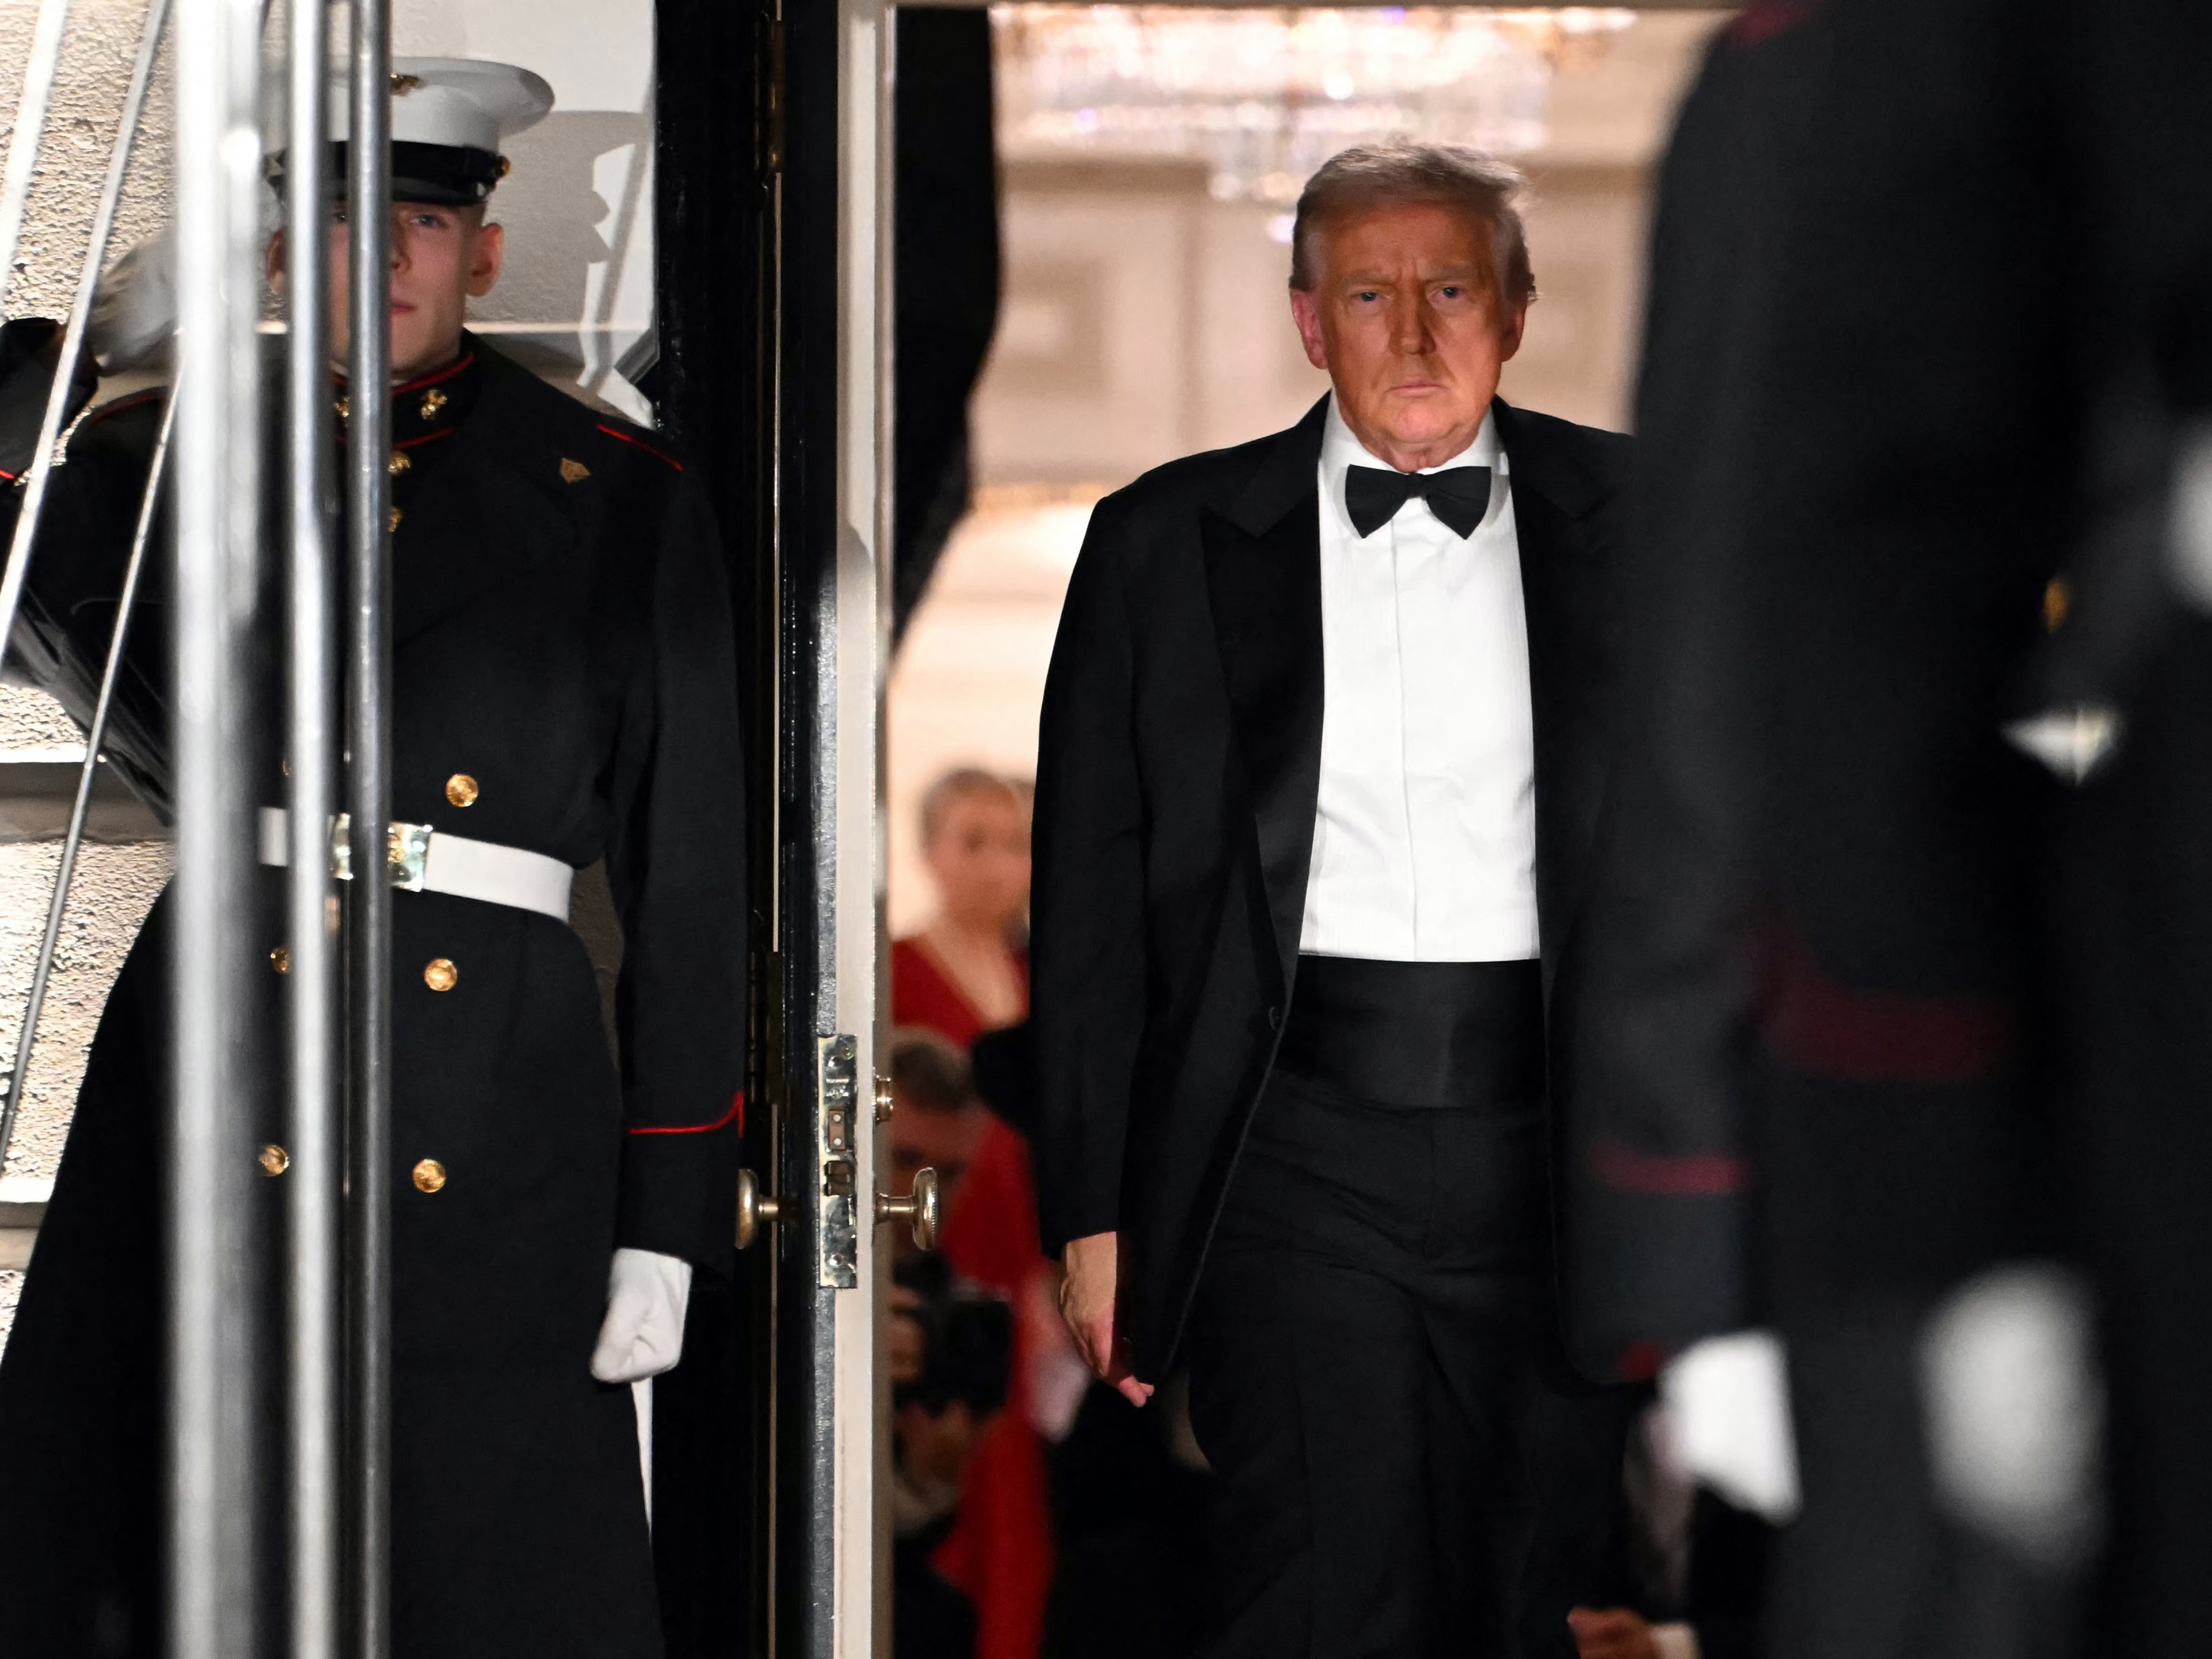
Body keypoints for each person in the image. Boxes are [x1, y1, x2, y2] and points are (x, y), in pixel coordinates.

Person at [0, 59, 747, 1658]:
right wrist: (71, 366)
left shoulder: (618, 497)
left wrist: (666, 1213)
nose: (385, 258)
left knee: (473, 1563)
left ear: (479, 253)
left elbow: (689, 888)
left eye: (419, 220)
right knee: (181, 1533)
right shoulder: (175, 469)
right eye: (341, 223)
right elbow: (19, 579)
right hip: (221, 1052)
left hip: (497, 1089)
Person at [1031, 140, 1637, 1658]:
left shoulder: (1647, 522)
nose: (1413, 336)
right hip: (1288, 1146)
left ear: (1513, 311)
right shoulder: (1163, 540)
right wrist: (1094, 1209)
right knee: (1314, 1592)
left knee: (1525, 1597)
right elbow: (1091, 896)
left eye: (1449, 290)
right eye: (1369, 294)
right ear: (1308, 320)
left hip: (1556, 1148)